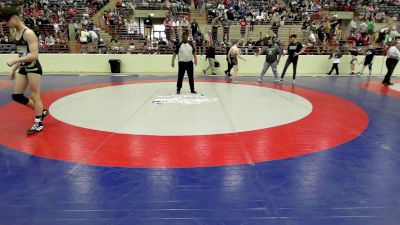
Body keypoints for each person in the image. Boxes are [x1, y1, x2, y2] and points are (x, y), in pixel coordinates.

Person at [1, 7, 48, 134]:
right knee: (17, 96)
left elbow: (34, 55)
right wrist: (15, 69)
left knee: (34, 95)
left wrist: (14, 62)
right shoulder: (15, 33)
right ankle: (42, 111)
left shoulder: (28, 33)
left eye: (7, 20)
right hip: (23, 67)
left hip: (33, 67)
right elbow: (22, 54)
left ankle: (38, 123)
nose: (6, 23)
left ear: (15, 18)